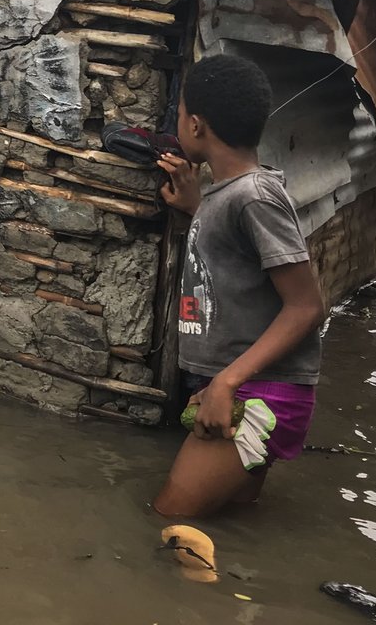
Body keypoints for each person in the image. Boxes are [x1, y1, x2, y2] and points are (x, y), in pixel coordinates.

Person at [153, 54, 326, 518]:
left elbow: (307, 307)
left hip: (256, 393)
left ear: (196, 125)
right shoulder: (229, 196)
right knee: (232, 521)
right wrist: (196, 209)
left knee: (165, 521)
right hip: (247, 388)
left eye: (180, 112)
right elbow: (234, 257)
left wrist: (226, 381)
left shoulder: (255, 197)